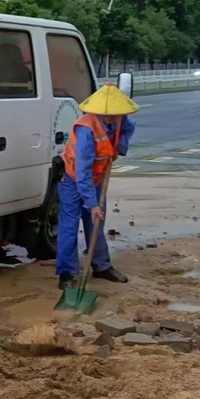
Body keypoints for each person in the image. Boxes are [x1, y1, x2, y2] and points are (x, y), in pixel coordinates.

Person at [56, 83, 139, 290]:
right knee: (69, 226)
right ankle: (67, 273)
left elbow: (129, 128)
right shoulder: (86, 129)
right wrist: (92, 203)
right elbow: (82, 171)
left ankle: (101, 266)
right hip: (74, 180)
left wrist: (120, 146)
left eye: (115, 115)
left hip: (98, 177)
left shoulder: (120, 118)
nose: (112, 119)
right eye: (108, 116)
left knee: (96, 224)